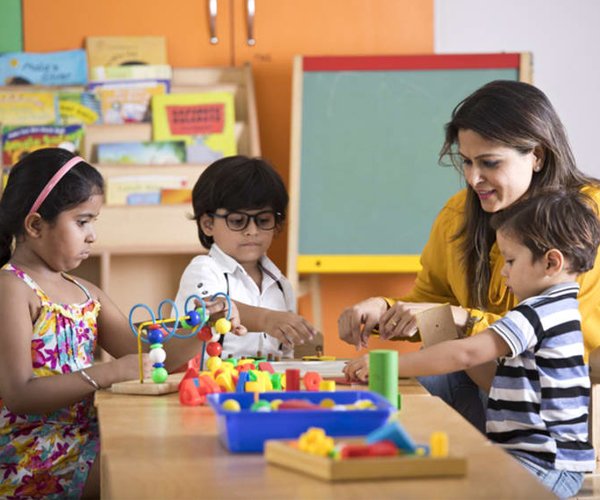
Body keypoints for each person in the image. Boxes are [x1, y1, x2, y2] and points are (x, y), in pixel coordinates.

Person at [338, 80, 600, 431]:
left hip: (549, 401)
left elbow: (553, 335)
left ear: (537, 156)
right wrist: (386, 310)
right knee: (390, 400)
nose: (474, 178)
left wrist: (461, 319)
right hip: (482, 380)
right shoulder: (458, 213)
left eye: (490, 163)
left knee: (414, 395)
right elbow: (433, 304)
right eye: (466, 161)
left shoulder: (584, 217)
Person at [345, 190, 599, 499]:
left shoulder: (536, 314)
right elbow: (488, 375)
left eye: (511, 261)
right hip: (535, 459)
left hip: (545, 465)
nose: (503, 271)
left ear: (551, 262)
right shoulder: (560, 311)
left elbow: (466, 354)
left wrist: (389, 365)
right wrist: (446, 336)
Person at [0, 148, 213, 499]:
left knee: (174, 449)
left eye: (93, 222)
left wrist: (204, 328)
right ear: (35, 225)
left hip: (87, 439)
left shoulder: (86, 293)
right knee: (146, 468)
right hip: (33, 456)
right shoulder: (11, 288)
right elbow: (19, 394)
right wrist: (109, 372)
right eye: (82, 221)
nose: (92, 235)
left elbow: (149, 352)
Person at [174, 155, 317, 361]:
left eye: (263, 220)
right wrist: (266, 319)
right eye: (238, 221)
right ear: (208, 224)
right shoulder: (203, 270)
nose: (252, 231)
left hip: (266, 381)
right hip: (209, 380)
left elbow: (286, 354)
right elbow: (212, 309)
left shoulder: (281, 285)